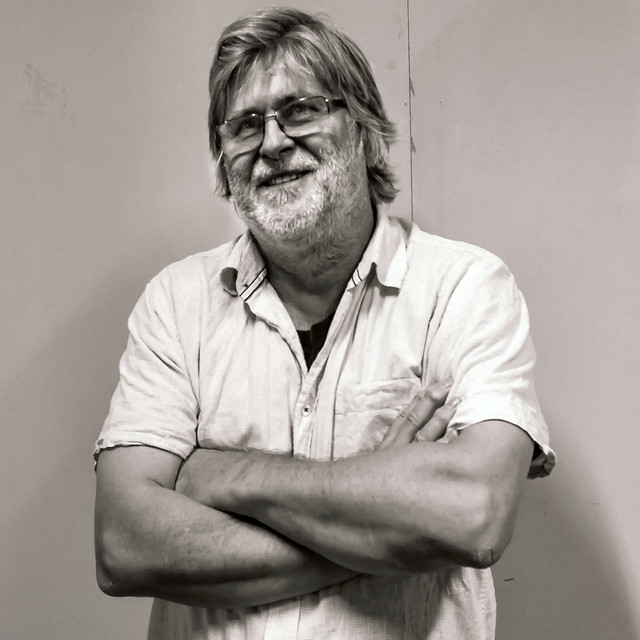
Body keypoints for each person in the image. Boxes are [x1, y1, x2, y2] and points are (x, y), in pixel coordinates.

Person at [94, 7, 555, 639]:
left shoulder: (464, 289)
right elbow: (124, 546)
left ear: (364, 129)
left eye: (301, 110)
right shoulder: (175, 303)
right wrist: (390, 526)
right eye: (245, 125)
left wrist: (218, 474)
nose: (273, 143)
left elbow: (474, 516)